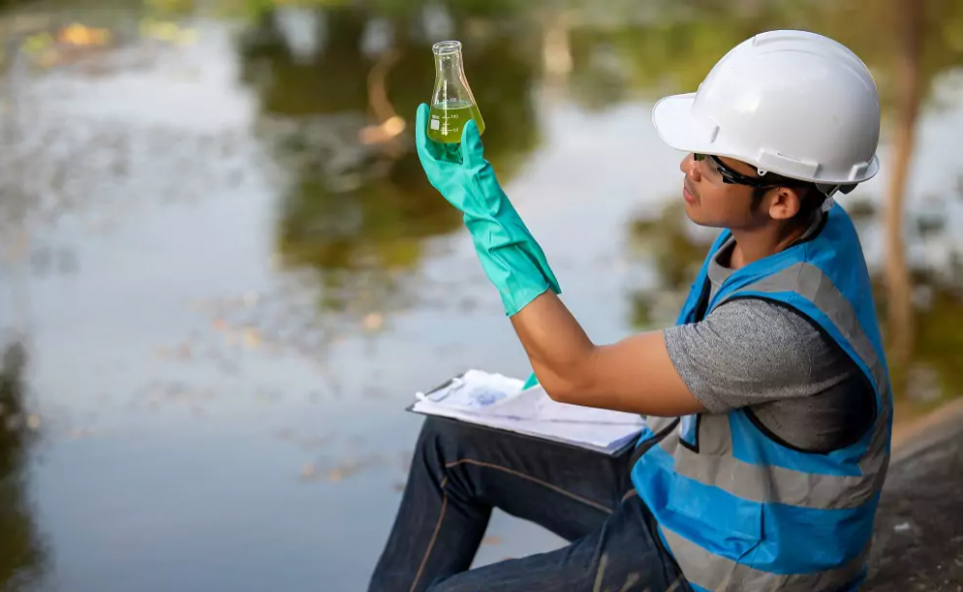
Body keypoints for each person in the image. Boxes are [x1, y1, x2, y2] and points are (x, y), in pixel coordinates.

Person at [369, 29, 891, 592]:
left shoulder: (776, 332)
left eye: (713, 163)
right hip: (690, 494)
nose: (687, 165)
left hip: (734, 564)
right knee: (454, 444)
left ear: (781, 198)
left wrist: (483, 211)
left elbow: (575, 373)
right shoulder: (795, 229)